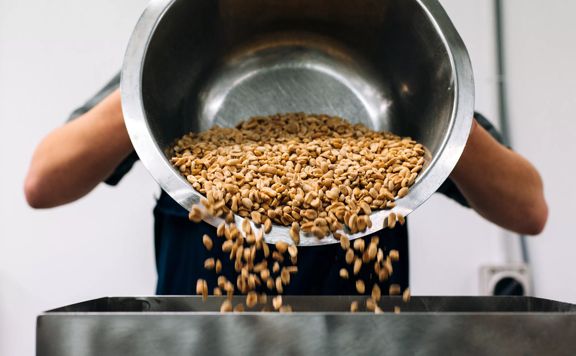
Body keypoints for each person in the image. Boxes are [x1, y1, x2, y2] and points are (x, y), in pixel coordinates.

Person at [24, 74, 548, 296]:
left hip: (367, 343)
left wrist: (439, 101)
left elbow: (528, 210)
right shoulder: (178, 75)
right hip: (197, 345)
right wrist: (148, 87)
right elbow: (44, 182)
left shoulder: (395, 86)